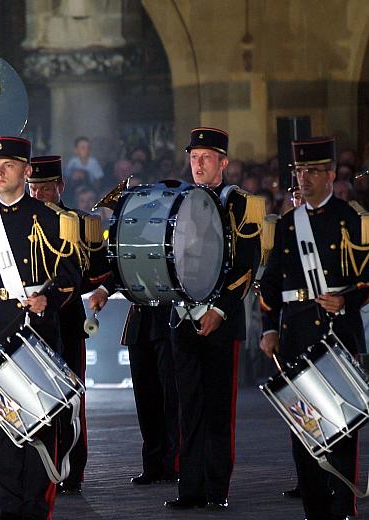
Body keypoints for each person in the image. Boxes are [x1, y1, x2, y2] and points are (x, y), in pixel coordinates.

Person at [0, 137, 82, 520]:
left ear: (26, 172)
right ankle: (7, 508)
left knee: (39, 426)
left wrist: (51, 298)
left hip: (34, 333)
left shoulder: (52, 219)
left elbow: (72, 274)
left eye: (8, 165)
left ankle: (35, 508)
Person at [259, 136, 368, 520]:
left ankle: (342, 509)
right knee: (305, 432)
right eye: (298, 172)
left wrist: (348, 299)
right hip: (296, 338)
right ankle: (315, 511)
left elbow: (367, 277)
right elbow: (269, 285)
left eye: (311, 172)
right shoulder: (288, 224)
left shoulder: (351, 218)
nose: (303, 179)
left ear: (330, 175)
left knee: (340, 429)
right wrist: (268, 328)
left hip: (336, 336)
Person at [164, 128, 263, 510]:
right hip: (183, 317)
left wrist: (219, 309)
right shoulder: (177, 200)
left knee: (219, 410)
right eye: (194, 156)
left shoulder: (240, 203)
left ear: (223, 162)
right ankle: (189, 487)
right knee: (187, 407)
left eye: (206, 157)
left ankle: (216, 489)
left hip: (220, 321)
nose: (198, 163)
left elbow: (247, 265)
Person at [26, 155, 111, 495]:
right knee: (34, 399)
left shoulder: (80, 221)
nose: (38, 193)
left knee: (70, 399)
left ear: (60, 186)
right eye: (33, 187)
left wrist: (70, 285)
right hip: (29, 321)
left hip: (66, 319)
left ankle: (72, 470)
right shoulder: (20, 223)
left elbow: (100, 270)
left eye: (45, 187)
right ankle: (39, 469)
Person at [121, 305, 179, 485]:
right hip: (139, 324)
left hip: (169, 321)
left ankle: (172, 464)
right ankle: (152, 465)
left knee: (171, 398)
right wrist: (104, 290)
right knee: (145, 401)